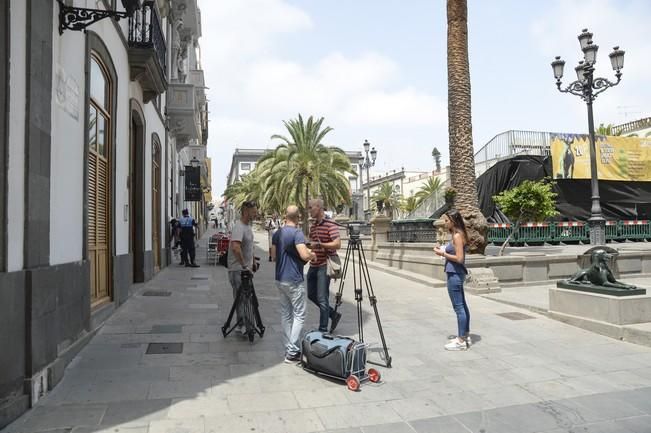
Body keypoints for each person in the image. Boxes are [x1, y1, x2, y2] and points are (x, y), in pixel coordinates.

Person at [271, 205, 316, 363]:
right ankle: (292, 351)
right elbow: (304, 255)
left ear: (285, 216)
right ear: (298, 217)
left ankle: (289, 348)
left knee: (286, 314)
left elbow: (273, 256)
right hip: (294, 279)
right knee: (300, 315)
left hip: (280, 278)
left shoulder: (277, 233)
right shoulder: (297, 233)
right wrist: (312, 255)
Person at [434, 208, 470, 351]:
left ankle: (461, 341)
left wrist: (442, 253)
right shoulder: (457, 234)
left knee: (459, 307)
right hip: (456, 273)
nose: (445, 223)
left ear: (453, 221)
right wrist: (444, 250)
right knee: (462, 305)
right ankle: (464, 335)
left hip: (455, 273)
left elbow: (459, 259)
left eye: (447, 220)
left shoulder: (457, 236)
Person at [307, 198, 342, 333]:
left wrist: (320, 245)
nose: (309, 210)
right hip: (313, 264)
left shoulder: (330, 224)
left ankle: (322, 330)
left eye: (311, 208)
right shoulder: (314, 226)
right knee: (311, 295)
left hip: (323, 265)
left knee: (322, 298)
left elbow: (337, 244)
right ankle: (333, 314)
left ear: (319, 208)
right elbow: (312, 243)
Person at [227, 200, 258, 335]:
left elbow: (249, 245)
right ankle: (243, 325)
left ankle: (244, 324)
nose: (256, 214)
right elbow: (235, 247)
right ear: (246, 212)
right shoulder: (239, 227)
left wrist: (253, 260)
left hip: (245, 269)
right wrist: (244, 265)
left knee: (245, 298)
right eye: (254, 212)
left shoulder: (247, 226)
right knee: (242, 299)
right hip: (238, 270)